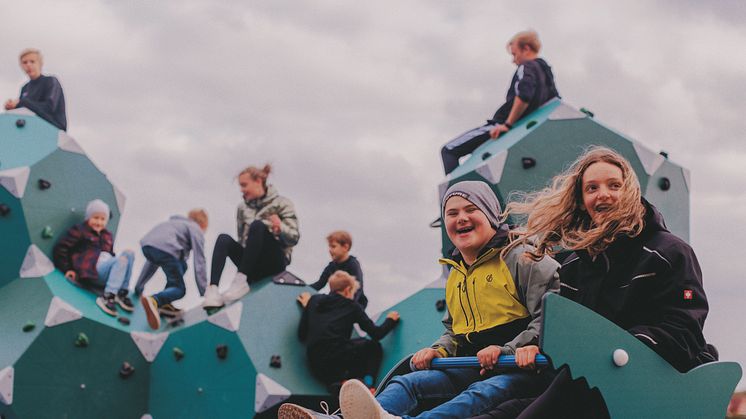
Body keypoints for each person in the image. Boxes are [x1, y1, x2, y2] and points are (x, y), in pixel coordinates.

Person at [472, 146, 718, 419]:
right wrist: (537, 346)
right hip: (583, 381)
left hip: (646, 385)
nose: (603, 194)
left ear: (631, 192)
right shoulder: (574, 266)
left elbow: (685, 328)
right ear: (580, 200)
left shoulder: (669, 252)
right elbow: (564, 332)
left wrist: (619, 349)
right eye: (592, 188)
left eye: (614, 185)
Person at [281, 181, 560, 419]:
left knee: (481, 394)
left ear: (490, 215)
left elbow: (552, 316)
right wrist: (438, 350)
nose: (460, 217)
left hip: (522, 369)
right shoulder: (457, 275)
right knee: (408, 383)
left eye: (471, 209)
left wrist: (508, 349)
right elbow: (454, 332)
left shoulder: (523, 257)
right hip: (474, 365)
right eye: (452, 213)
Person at [440, 30, 559, 175]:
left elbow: (524, 95)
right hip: (526, 128)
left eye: (514, 54)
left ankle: (454, 195)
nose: (513, 60)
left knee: (449, 150)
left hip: (503, 124)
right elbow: (555, 103)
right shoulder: (547, 73)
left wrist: (507, 124)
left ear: (526, 48)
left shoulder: (526, 66)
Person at [202, 164, 300, 309]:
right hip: (252, 265)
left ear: (258, 182)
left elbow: (294, 237)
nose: (242, 190)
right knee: (223, 239)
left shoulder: (282, 203)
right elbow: (242, 240)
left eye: (244, 185)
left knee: (257, 226)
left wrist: (280, 229)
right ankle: (213, 290)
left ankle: (241, 279)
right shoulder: (242, 208)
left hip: (274, 262)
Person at [296, 271, 399, 393]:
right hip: (337, 360)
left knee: (342, 348)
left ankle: (338, 383)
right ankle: (368, 385)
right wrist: (390, 320)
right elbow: (377, 334)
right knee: (373, 346)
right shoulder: (351, 306)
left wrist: (308, 309)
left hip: (315, 364)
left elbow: (301, 334)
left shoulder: (313, 301)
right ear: (347, 290)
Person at [53, 199, 134, 316]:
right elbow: (61, 248)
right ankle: (107, 297)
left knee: (129, 253)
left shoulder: (107, 235)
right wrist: (67, 269)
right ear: (88, 217)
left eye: (102, 219)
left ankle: (121, 293)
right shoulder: (80, 230)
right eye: (95, 218)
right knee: (120, 260)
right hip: (91, 272)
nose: (99, 222)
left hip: (105, 272)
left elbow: (110, 254)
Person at [136, 209, 209, 330]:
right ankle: (156, 300)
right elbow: (199, 261)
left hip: (147, 247)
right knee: (180, 289)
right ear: (203, 225)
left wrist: (138, 288)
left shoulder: (172, 225)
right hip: (169, 252)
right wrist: (204, 292)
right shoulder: (196, 229)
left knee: (182, 265)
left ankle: (165, 303)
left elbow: (152, 262)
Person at [4, 48, 67, 131]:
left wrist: (22, 102)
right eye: (25, 62)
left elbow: (49, 108)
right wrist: (13, 108)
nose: (28, 65)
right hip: (31, 130)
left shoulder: (51, 81)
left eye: (32, 61)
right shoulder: (25, 88)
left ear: (40, 63)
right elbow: (23, 112)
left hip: (54, 130)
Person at [308, 230, 368, 308]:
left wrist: (348, 307)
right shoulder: (331, 266)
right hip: (337, 301)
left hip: (354, 304)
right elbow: (319, 284)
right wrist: (303, 289)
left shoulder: (353, 264)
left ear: (345, 247)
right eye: (329, 246)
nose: (330, 250)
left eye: (333, 246)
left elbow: (357, 288)